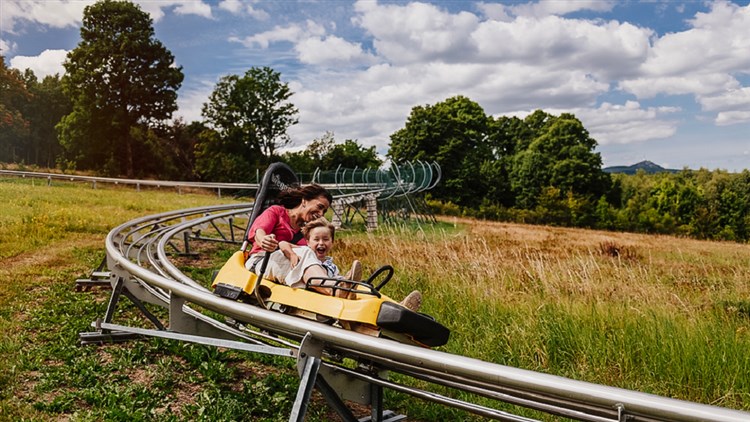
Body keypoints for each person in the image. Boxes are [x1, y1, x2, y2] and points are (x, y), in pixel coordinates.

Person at [244, 184, 351, 298]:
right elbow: (259, 231)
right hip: (263, 260)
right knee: (306, 251)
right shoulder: (277, 212)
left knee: (316, 259)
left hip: (292, 266)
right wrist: (265, 240)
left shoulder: (307, 231)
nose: (320, 214)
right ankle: (334, 289)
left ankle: (338, 283)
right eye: (319, 207)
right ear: (304, 201)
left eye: (324, 211)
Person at [302, 217, 422, 312]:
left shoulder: (332, 265)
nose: (321, 243)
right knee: (361, 296)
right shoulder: (309, 261)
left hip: (340, 295)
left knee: (367, 291)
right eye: (316, 239)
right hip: (327, 299)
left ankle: (398, 307)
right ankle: (347, 286)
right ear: (308, 242)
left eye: (326, 239)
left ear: (332, 242)